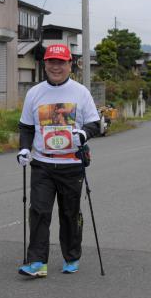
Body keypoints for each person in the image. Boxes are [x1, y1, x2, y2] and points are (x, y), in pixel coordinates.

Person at [16, 44, 101, 277]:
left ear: (69, 65)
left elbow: (95, 123)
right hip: (42, 163)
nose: (56, 67)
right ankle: (37, 262)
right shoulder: (34, 93)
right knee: (39, 212)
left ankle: (72, 256)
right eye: (51, 62)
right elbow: (25, 126)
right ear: (45, 64)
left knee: (69, 213)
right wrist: (24, 149)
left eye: (61, 62)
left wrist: (84, 134)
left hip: (71, 164)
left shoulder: (80, 92)